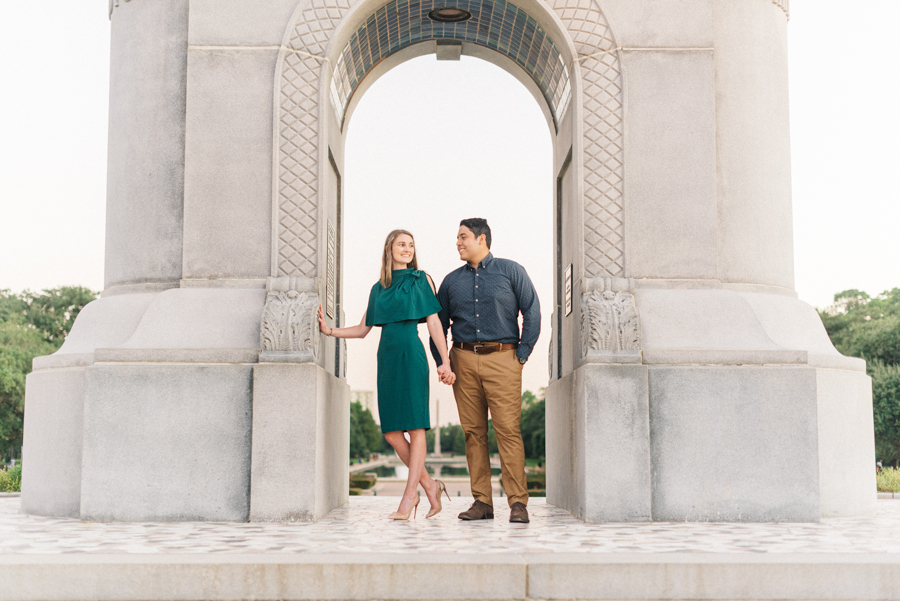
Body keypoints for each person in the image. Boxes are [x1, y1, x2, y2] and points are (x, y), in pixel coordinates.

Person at [318, 229, 455, 520]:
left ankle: (409, 498)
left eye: (411, 245)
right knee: (392, 434)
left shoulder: (422, 279)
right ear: (389, 249)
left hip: (412, 354)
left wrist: (445, 361)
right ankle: (430, 486)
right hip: (387, 359)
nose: (407, 249)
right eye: (401, 244)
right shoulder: (378, 288)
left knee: (416, 427)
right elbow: (362, 329)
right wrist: (330, 331)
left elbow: (433, 323)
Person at [430, 218, 540, 523]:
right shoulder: (451, 281)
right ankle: (482, 502)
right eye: (457, 238)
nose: (458, 243)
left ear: (482, 239)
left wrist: (522, 354)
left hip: (504, 358)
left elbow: (531, 310)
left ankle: (518, 503)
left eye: (463, 237)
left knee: (508, 431)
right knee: (473, 433)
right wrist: (442, 361)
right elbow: (438, 324)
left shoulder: (511, 271)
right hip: (462, 360)